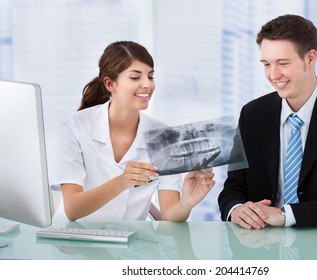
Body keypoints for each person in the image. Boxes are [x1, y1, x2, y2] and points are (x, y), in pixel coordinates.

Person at [218, 14, 317, 228]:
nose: (273, 75)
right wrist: (237, 209)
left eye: (283, 63)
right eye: (266, 64)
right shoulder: (253, 115)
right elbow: (233, 189)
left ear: (310, 58)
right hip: (262, 244)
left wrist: (286, 215)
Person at [50, 41, 215, 222]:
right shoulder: (73, 127)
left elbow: (169, 216)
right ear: (110, 84)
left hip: (130, 244)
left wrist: (186, 203)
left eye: (150, 77)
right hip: (73, 241)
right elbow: (73, 209)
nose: (147, 84)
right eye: (135, 78)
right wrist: (122, 182)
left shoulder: (165, 137)